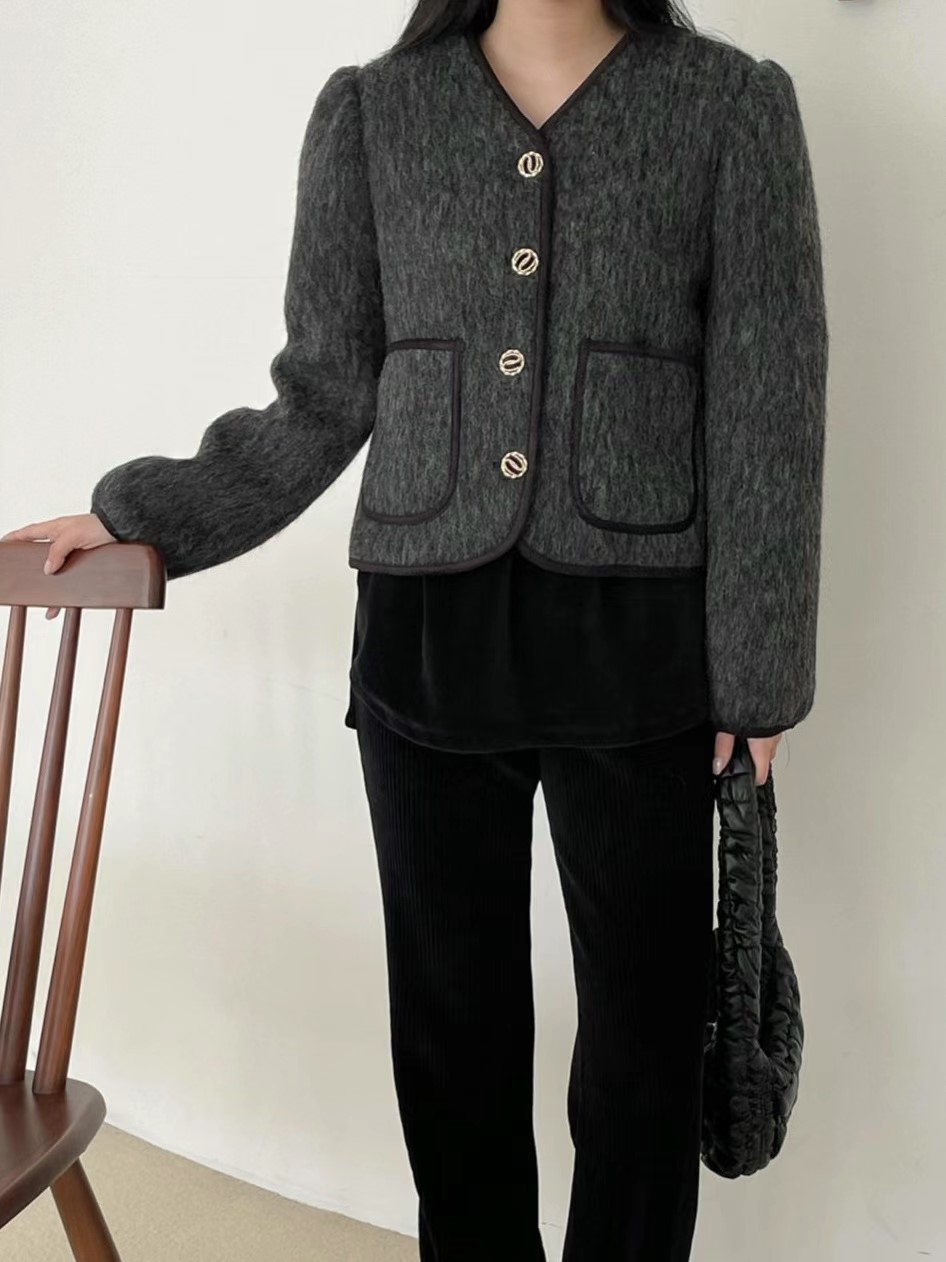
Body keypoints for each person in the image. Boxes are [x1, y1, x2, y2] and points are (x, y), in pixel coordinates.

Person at [2, 0, 829, 1257]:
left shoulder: (730, 104)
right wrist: (145, 510)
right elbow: (324, 387)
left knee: (644, 1045)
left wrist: (759, 678)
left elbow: (769, 399)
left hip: (641, 643)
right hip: (425, 640)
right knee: (452, 1040)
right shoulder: (372, 111)